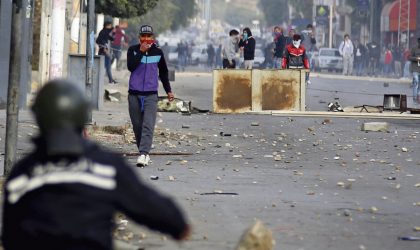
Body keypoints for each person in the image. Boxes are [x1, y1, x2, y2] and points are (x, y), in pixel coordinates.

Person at [1, 79, 190, 250]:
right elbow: (158, 211)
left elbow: (10, 236)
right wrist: (179, 227)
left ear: (38, 117)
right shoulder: (106, 168)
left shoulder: (22, 175)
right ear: (82, 115)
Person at [127, 25, 175, 167]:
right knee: (137, 126)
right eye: (143, 36)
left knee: (148, 125)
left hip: (151, 95)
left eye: (149, 36)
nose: (146, 39)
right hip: (134, 94)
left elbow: (164, 73)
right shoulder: (133, 50)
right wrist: (141, 52)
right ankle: (143, 151)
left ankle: (144, 154)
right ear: (139, 38)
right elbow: (131, 67)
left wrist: (169, 91)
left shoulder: (158, 52)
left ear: (152, 38)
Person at [409, 37, 420, 103]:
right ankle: (415, 98)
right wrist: (416, 58)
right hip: (415, 69)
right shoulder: (414, 48)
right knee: (416, 83)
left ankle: (418, 96)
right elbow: (409, 57)